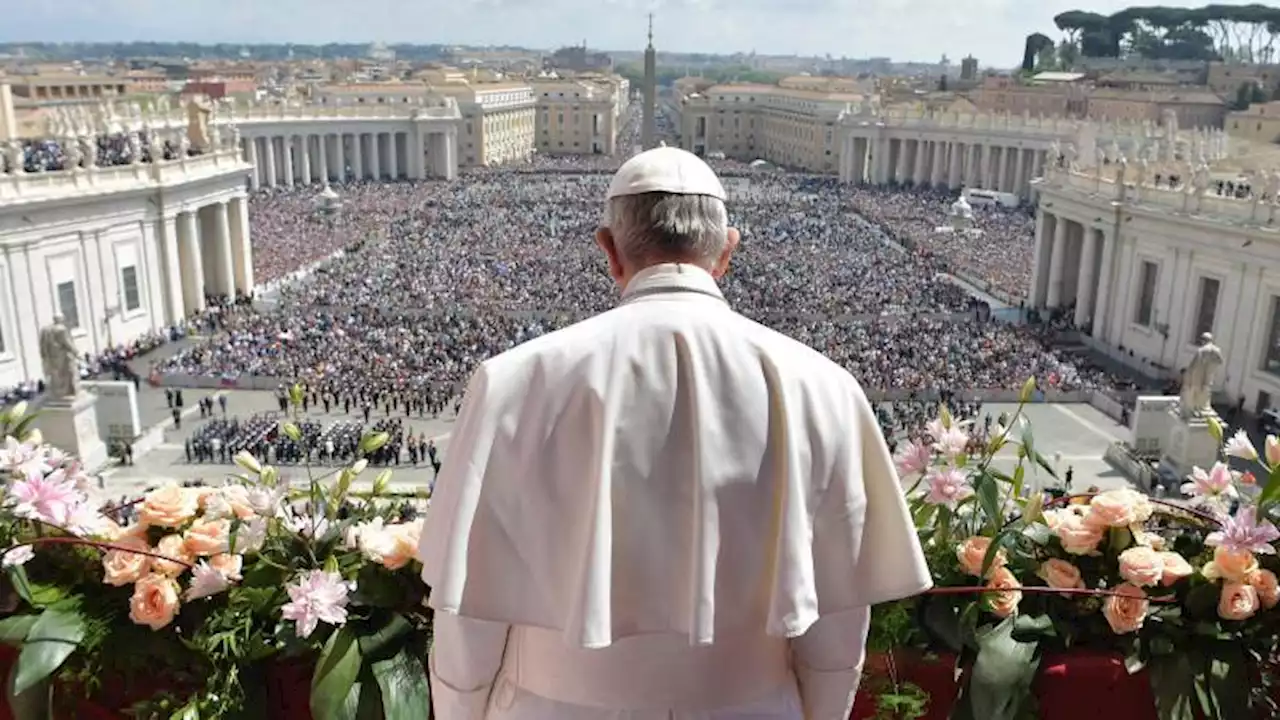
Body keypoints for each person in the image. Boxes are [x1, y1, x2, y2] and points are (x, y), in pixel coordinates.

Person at [420, 147, 931, 720]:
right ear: (727, 252)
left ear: (609, 251)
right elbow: (836, 625)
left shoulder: (512, 381)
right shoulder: (825, 387)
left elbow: (468, 617)